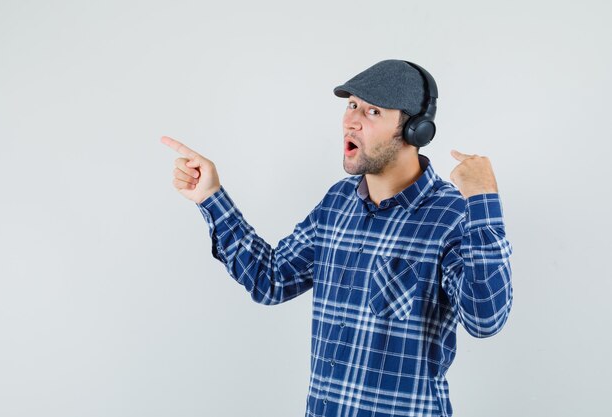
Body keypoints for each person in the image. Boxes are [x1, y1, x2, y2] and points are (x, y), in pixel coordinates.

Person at [161, 59, 513, 417]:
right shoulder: (337, 202)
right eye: (351, 105)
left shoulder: (452, 215)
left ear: (415, 131)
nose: (352, 120)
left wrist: (482, 199)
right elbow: (270, 280)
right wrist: (211, 196)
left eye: (373, 111)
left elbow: (485, 320)